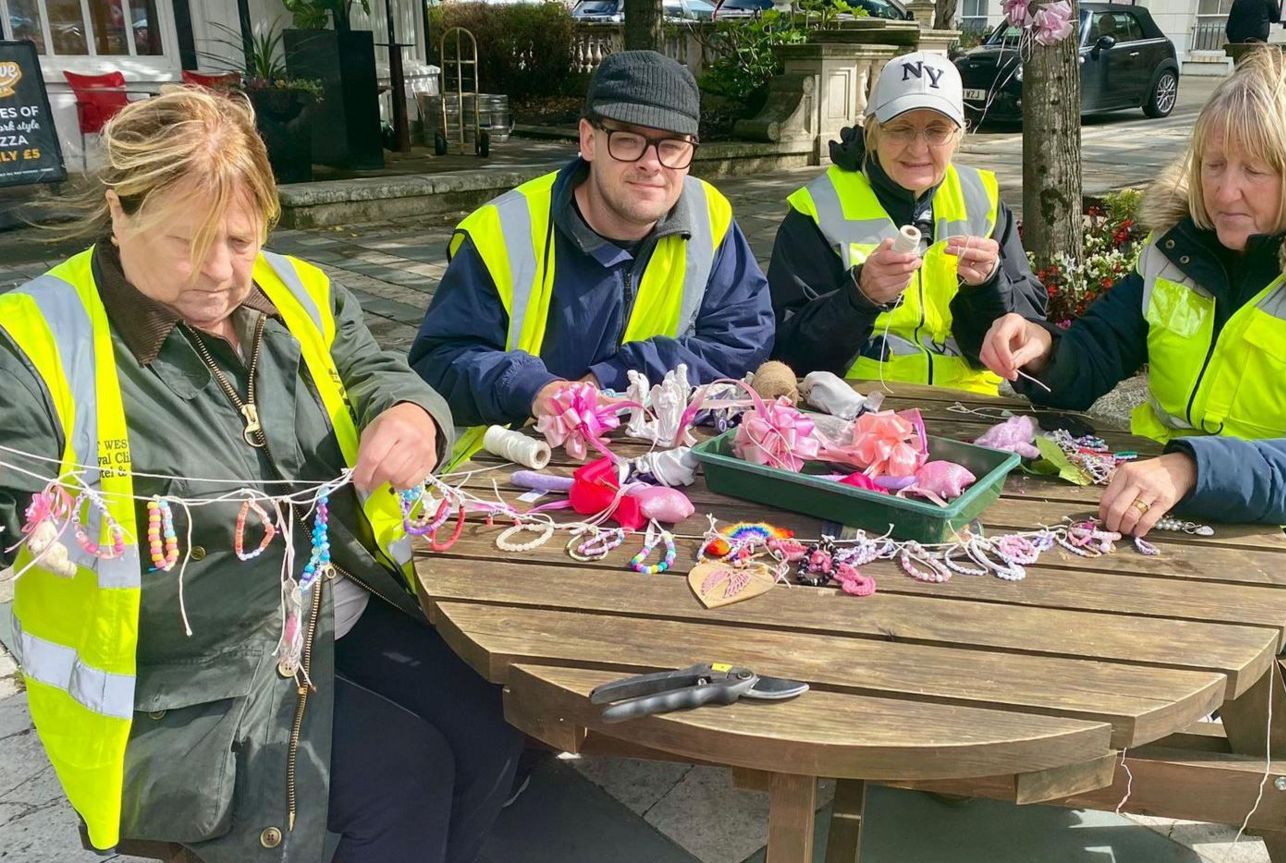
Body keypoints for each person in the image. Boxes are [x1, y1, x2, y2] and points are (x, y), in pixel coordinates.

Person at [0, 88, 523, 863]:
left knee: (496, 723)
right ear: (119, 213)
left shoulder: (297, 291)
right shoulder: (33, 343)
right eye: (187, 241)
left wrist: (415, 415)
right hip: (180, 680)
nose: (220, 273)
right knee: (404, 776)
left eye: (241, 239)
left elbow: (380, 371)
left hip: (336, 612)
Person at [978, 48, 1286, 654]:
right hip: (1190, 505)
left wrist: (1193, 468)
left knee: (1108, 631)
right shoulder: (1181, 247)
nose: (1225, 191)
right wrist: (1044, 350)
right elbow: (1096, 354)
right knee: (1025, 587)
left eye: (1256, 171)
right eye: (1213, 165)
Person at [410, 50, 774, 463]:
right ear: (588, 139)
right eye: (628, 141)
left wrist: (614, 376)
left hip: (655, 464)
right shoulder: (503, 231)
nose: (651, 164)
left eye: (672, 146)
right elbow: (437, 364)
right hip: (505, 476)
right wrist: (533, 389)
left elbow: (745, 337)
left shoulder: (711, 215)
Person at [767, 51, 1048, 395]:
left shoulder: (982, 200)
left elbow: (1029, 329)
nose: (918, 149)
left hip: (971, 405)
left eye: (936, 130)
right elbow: (787, 353)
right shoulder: (818, 209)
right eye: (900, 129)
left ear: (958, 134)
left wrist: (990, 285)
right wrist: (860, 297)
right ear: (872, 130)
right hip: (855, 405)